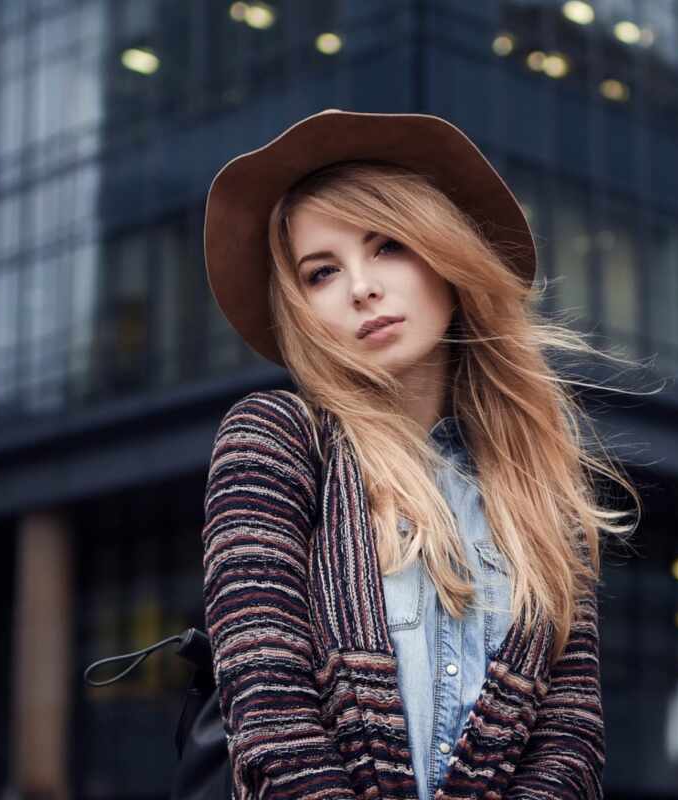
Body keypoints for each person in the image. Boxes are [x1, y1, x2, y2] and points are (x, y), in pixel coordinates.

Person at [200, 109, 645, 800]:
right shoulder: (275, 438)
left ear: (444, 254)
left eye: (387, 246)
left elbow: (570, 745)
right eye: (321, 273)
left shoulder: (538, 486)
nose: (361, 287)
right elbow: (271, 713)